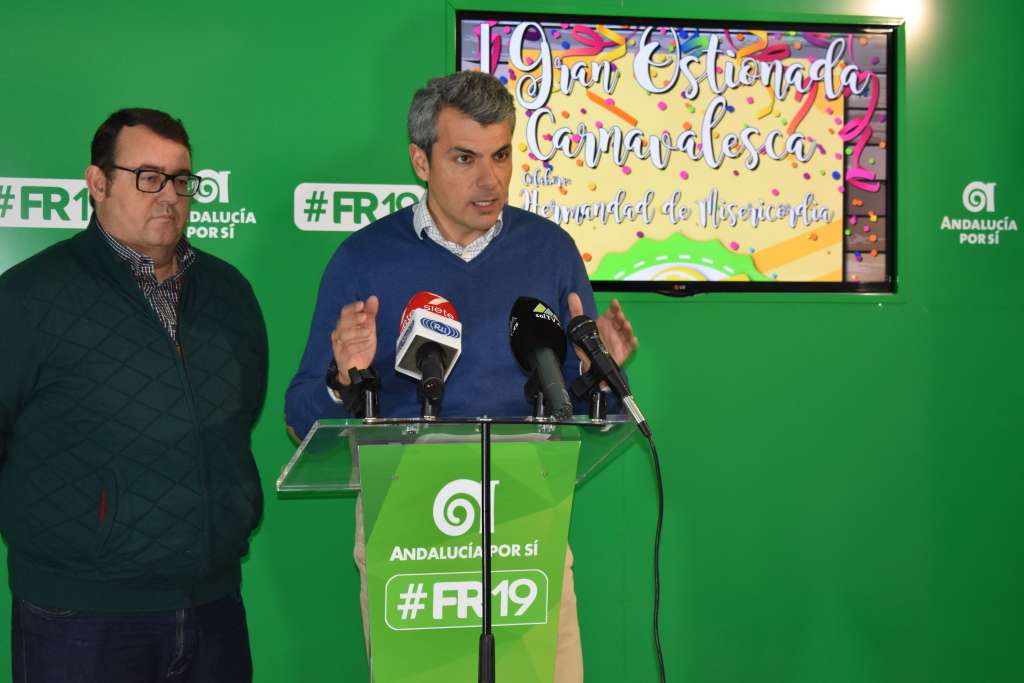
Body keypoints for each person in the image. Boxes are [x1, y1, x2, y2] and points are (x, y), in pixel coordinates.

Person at [285, 71, 636, 682]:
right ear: (421, 161)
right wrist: (342, 380)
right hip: (410, 526)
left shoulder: (550, 251)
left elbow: (577, 410)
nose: (490, 180)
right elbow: (300, 420)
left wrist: (597, 377)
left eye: (501, 155)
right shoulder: (364, 259)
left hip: (528, 522)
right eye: (465, 158)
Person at [0, 108, 267, 682]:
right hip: (80, 616)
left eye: (181, 179)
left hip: (214, 605)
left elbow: (242, 413)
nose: (168, 195)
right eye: (148, 177)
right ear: (98, 183)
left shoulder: (229, 292)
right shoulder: (28, 297)